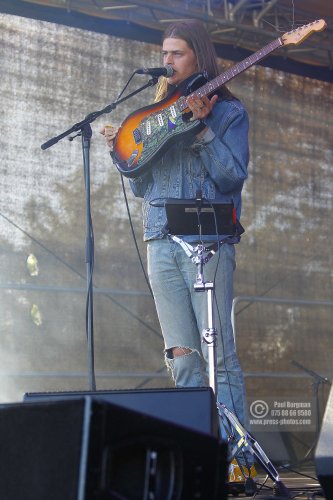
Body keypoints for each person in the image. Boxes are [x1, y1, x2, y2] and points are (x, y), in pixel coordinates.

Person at [101, 19, 256, 483]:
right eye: (164, 53)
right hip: (159, 240)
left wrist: (204, 130)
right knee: (183, 355)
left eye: (176, 54)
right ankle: (197, 460)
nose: (167, 62)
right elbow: (146, 186)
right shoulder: (158, 115)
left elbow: (232, 176)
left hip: (208, 238)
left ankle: (237, 461)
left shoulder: (230, 113)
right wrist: (122, 156)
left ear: (199, 58)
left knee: (219, 355)